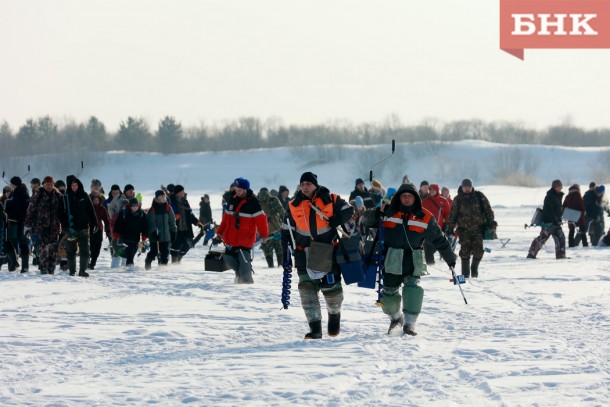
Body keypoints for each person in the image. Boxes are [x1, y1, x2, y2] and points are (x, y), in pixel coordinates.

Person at [366, 182, 456, 336]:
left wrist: (450, 259)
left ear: (415, 198)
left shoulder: (425, 216)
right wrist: (375, 214)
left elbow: (439, 239)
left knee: (413, 290)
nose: (407, 199)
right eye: (404, 196)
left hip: (413, 259)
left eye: (410, 196)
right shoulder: (387, 211)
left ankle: (409, 324)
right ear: (398, 198)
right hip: (390, 258)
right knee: (387, 297)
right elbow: (366, 219)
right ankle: (395, 318)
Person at [281, 172, 354, 339]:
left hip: (328, 251)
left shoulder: (331, 199)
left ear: (315, 185)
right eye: (303, 184)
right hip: (303, 253)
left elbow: (349, 211)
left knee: (332, 290)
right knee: (307, 290)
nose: (305, 186)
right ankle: (315, 329)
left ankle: (334, 317)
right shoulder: (293, 205)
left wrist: (337, 219)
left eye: (308, 183)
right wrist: (284, 254)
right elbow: (286, 232)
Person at [216, 177, 269, 283]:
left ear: (245, 190)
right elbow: (226, 218)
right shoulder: (232, 198)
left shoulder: (253, 201)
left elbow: (261, 220)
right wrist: (220, 231)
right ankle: (240, 276)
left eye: (239, 190)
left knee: (245, 271)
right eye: (236, 189)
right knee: (226, 257)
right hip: (230, 239)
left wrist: (264, 235)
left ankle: (246, 282)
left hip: (245, 240)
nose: (237, 191)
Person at [446, 178, 496, 278]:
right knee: (465, 252)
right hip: (463, 230)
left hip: (478, 229)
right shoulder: (458, 199)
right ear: (462, 187)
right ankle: (465, 275)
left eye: (469, 187)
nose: (467, 189)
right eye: (465, 187)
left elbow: (488, 210)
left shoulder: (479, 196)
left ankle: (474, 270)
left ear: (472, 187)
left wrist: (491, 223)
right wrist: (450, 228)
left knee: (478, 251)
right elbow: (452, 215)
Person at [58, 175, 98, 277]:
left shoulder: (84, 196)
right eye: (72, 185)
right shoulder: (64, 198)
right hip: (70, 229)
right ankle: (72, 270)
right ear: (69, 186)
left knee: (85, 249)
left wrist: (95, 223)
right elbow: (59, 213)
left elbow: (91, 211)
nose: (75, 187)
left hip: (84, 228)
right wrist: (65, 224)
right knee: (71, 250)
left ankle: (82, 271)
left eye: (76, 185)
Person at [24, 176, 63, 274]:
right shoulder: (38, 195)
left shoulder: (58, 195)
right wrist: (28, 225)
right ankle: (43, 268)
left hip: (54, 227)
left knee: (53, 249)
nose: (49, 186)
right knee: (43, 249)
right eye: (47, 184)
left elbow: (63, 212)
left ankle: (51, 269)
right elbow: (30, 210)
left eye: (51, 184)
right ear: (43, 184)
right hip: (40, 227)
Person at [527, 180, 566, 259]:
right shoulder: (550, 196)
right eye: (558, 186)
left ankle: (561, 255)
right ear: (554, 187)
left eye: (561, 186)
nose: (560, 188)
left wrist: (559, 219)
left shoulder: (558, 196)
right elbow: (548, 210)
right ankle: (531, 254)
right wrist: (554, 220)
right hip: (548, 222)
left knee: (561, 238)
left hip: (556, 222)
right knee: (542, 238)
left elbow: (558, 209)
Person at [169, 184, 202, 263]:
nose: (184, 192)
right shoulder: (171, 201)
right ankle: (174, 262)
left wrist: (197, 222)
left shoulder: (185, 202)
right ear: (178, 193)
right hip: (177, 228)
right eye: (182, 191)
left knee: (187, 246)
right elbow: (169, 213)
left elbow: (190, 214)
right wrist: (175, 215)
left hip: (186, 228)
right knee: (176, 246)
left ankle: (179, 259)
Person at [4, 176, 31, 272]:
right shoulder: (17, 193)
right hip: (15, 221)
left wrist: (8, 203)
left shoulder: (22, 193)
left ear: (14, 184)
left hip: (20, 222)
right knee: (10, 241)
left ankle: (24, 266)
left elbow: (21, 206)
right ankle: (16, 263)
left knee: (21, 242)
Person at [145, 190, 177, 269]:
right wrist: (153, 233)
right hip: (155, 236)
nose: (163, 198)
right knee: (154, 252)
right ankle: (148, 261)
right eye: (161, 196)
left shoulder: (168, 208)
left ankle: (162, 271)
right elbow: (151, 223)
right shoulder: (152, 209)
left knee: (165, 254)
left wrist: (173, 232)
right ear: (157, 198)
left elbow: (172, 221)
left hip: (166, 236)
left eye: (164, 196)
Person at [112, 197, 149, 267]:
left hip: (135, 238)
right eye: (133, 206)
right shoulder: (124, 213)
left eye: (136, 206)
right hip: (124, 238)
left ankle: (128, 266)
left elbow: (145, 226)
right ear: (130, 205)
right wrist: (116, 232)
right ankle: (129, 267)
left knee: (132, 253)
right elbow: (118, 224)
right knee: (125, 253)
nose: (135, 208)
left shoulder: (141, 214)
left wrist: (144, 236)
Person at [421, 183, 451, 265]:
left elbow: (448, 214)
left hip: (440, 228)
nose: (431, 191)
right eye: (430, 190)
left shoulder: (443, 201)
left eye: (433, 190)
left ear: (437, 190)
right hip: (427, 228)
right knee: (428, 249)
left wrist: (448, 225)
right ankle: (430, 264)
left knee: (441, 246)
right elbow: (420, 214)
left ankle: (450, 263)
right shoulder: (425, 201)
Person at [258, 187, 285, 268]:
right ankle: (280, 265)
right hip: (276, 227)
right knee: (279, 248)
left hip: (264, 229)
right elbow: (282, 211)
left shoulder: (257, 201)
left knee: (267, 250)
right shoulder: (274, 200)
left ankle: (270, 265)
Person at [89, 191, 111, 269]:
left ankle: (93, 263)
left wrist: (108, 230)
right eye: (94, 200)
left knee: (97, 247)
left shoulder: (102, 209)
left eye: (97, 200)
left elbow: (106, 220)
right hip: (89, 229)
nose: (96, 201)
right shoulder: (88, 208)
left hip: (99, 229)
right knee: (90, 247)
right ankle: (88, 261)